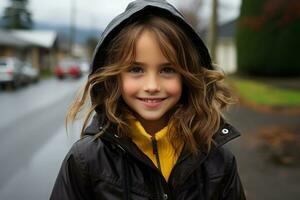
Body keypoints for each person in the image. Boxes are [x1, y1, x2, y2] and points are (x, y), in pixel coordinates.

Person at [50, 0, 246, 199]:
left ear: (187, 76)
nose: (152, 86)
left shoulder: (218, 160)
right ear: (114, 77)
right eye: (136, 69)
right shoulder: (86, 161)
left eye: (167, 70)